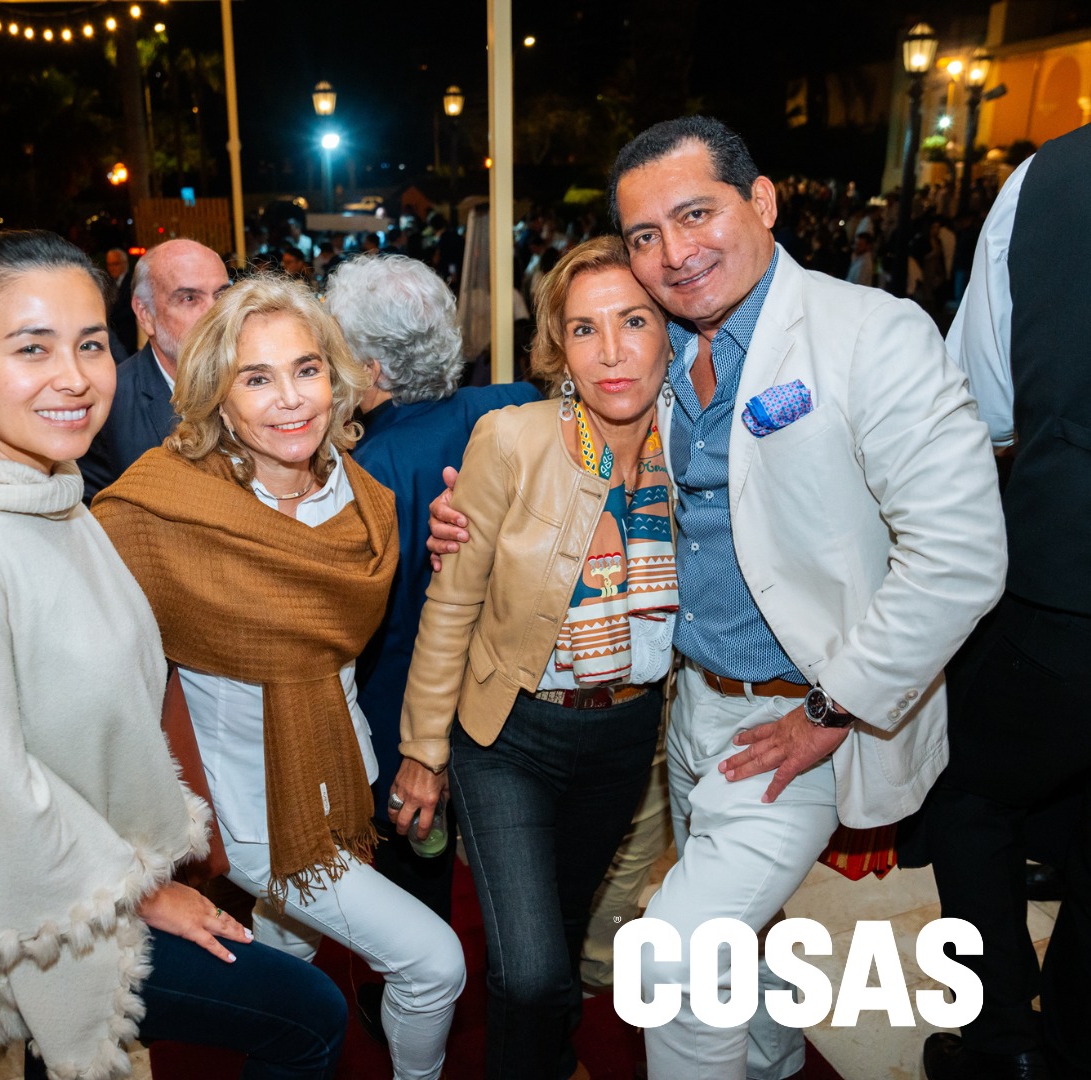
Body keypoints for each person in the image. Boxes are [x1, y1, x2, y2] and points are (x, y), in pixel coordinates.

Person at [430, 116, 1006, 1080]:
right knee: (742, 943)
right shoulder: (664, 352)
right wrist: (466, 509)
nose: (674, 252)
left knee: (679, 964)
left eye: (696, 214)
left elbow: (961, 556)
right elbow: (567, 427)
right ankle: (772, 1063)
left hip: (802, 718)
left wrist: (833, 708)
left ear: (763, 201)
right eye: (645, 234)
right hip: (691, 711)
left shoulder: (872, 334)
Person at [0, 230, 347, 1080]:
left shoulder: (51, 496)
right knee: (310, 1016)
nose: (75, 376)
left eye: (90, 345)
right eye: (32, 348)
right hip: (62, 899)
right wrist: (141, 891)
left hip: (98, 868)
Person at [92, 275, 466, 1080]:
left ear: (337, 377)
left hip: (342, 776)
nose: (290, 399)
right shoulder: (161, 510)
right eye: (256, 378)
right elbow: (73, 651)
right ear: (218, 399)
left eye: (306, 369)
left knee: (290, 947)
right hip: (250, 813)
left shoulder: (364, 502)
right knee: (435, 963)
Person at [395, 236, 675, 1080]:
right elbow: (453, 601)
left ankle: (545, 1061)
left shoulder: (700, 447)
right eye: (584, 329)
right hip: (508, 734)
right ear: (558, 345)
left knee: (561, 928)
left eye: (634, 321)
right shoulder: (512, 439)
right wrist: (423, 750)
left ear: (672, 328)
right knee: (529, 970)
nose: (612, 351)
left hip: (626, 737)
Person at [918, 123, 1091, 1080]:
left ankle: (1002, 1045)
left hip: (1065, 582)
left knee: (963, 787)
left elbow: (978, 402)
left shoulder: (1049, 181)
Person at [325, 252, 538, 922]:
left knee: (416, 898)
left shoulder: (366, 474)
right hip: (508, 699)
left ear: (369, 370)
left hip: (403, 717)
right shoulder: (512, 406)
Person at [79, 239, 231, 500]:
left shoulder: (260, 382)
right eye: (189, 298)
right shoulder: (106, 410)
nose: (215, 314)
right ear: (145, 314)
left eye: (221, 296)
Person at [105, 247, 139, 356]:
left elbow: (130, 309)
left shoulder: (133, 282)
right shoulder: (109, 283)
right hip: (114, 337)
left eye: (115, 264)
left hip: (129, 337)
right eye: (109, 264)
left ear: (124, 263)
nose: (111, 268)